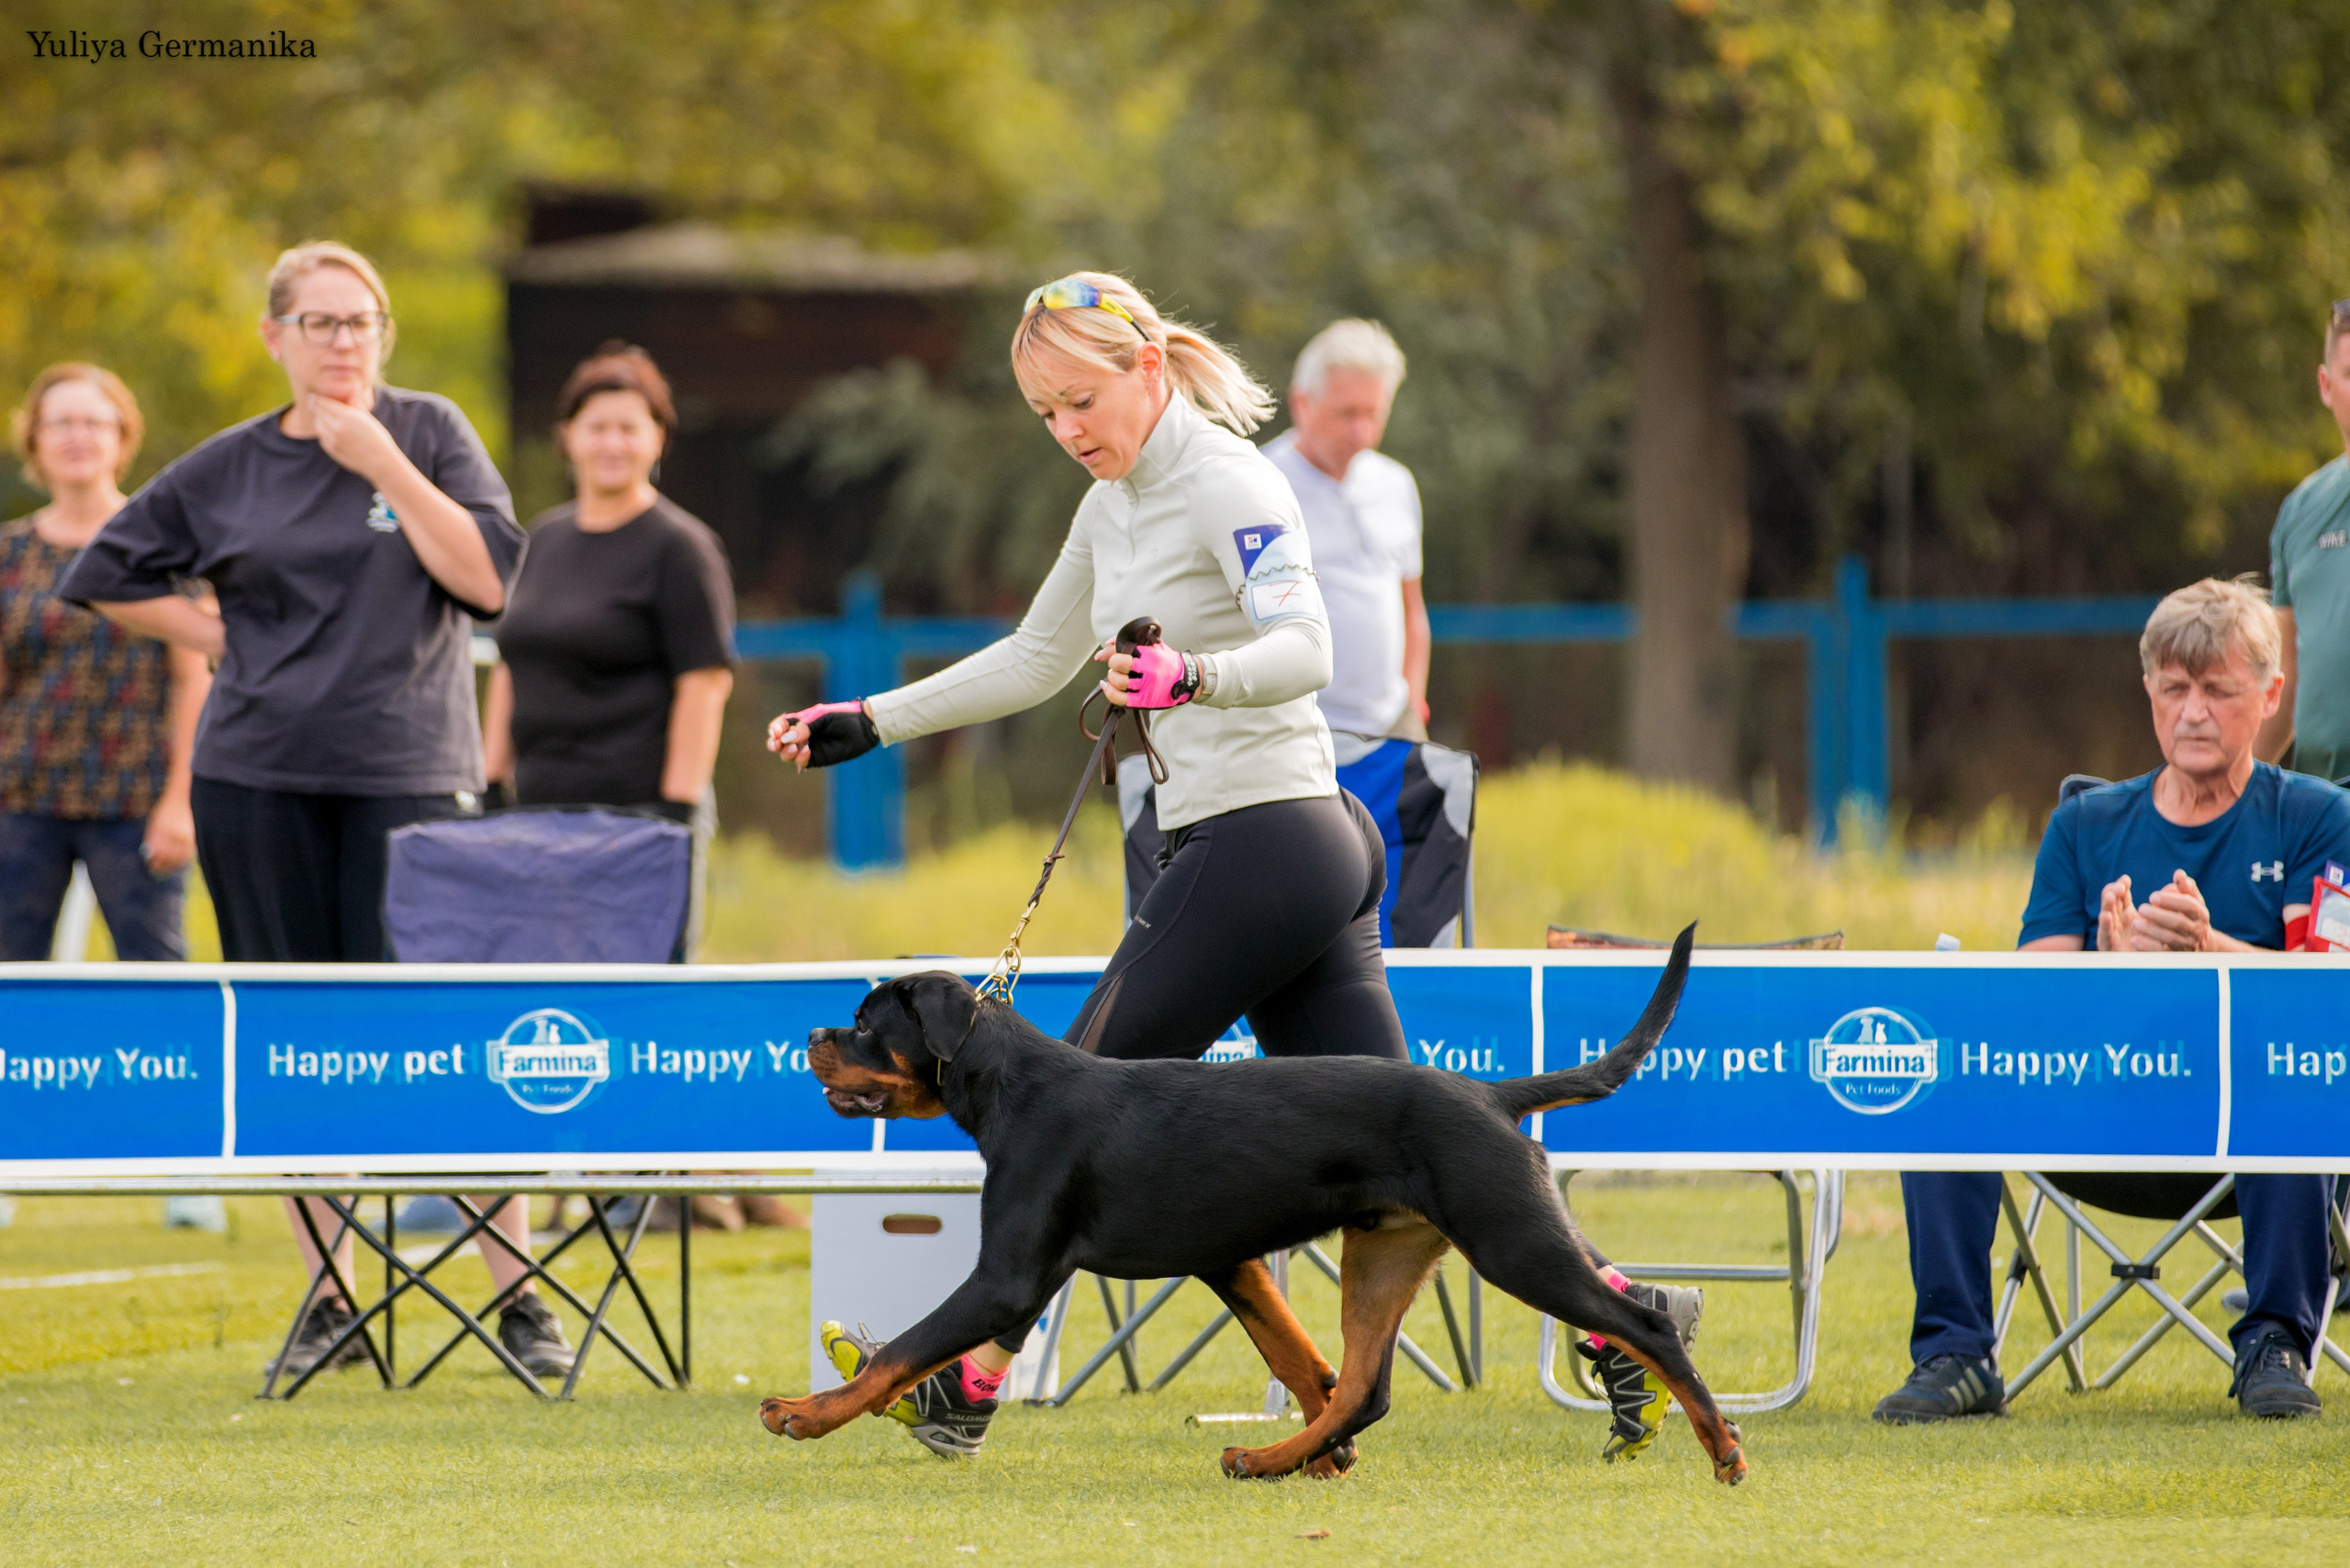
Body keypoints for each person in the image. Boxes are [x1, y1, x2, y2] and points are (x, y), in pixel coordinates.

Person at [768, 271, 1690, 1463]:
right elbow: (1038, 654)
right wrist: (870, 721)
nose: (1068, 432)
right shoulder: (1112, 504)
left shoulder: (1230, 481)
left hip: (1266, 842)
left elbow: (1310, 645)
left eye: (1082, 401)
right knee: (1418, 1161)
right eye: (1045, 414)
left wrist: (1188, 676)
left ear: (1149, 367)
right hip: (1293, 857)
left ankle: (965, 1392)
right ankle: (1632, 1326)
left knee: (1068, 1108)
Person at [57, 241, 572, 1383]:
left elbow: (490, 583)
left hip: (412, 772)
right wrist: (209, 635)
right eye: (322, 323)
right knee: (296, 1039)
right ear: (275, 336)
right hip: (257, 777)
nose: (345, 342)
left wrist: (382, 460)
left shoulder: (428, 431)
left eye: (363, 322)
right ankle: (331, 1295)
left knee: (447, 1034)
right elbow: (97, 571)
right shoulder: (229, 467)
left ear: (384, 335)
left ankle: (520, 1297)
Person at [1877, 578, 2348, 1424]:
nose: (2193, 712)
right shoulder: (2087, 825)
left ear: (2271, 695)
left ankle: (2275, 1340)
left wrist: (2210, 953)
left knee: (2294, 1079)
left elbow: (2329, 994)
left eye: (2217, 690)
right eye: (2174, 689)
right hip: (2095, 1118)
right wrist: (2108, 961)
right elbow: (2027, 1005)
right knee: (1945, 1075)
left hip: (2252, 1138)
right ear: (2149, 693)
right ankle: (1955, 1352)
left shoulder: (2317, 818)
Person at [482, 342, 736, 958]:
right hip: (537, 816)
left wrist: (674, 815)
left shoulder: (680, 547)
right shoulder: (542, 538)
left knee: (639, 1005)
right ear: (568, 437)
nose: (612, 443)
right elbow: (513, 661)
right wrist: (490, 780)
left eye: (630, 427)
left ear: (658, 439)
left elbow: (705, 684)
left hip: (640, 817)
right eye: (597, 427)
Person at [2, 364, 208, 961]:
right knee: (11, 975)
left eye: (94, 421)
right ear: (35, 439)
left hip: (137, 801)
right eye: (60, 422)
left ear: (122, 437)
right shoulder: (9, 552)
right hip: (20, 797)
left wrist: (180, 800)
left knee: (156, 972)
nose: (78, 435)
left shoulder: (163, 546)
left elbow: (194, 680)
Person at [1261, 319, 1431, 742]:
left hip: (1393, 725)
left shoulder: (1396, 483)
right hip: (1299, 731)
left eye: (1372, 413)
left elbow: (1412, 609)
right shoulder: (1260, 484)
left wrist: (1413, 703)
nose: (1361, 431)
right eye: (1347, 413)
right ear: (1301, 403)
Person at [2256, 296, 2350, 782]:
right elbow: (2285, 685)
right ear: (2326, 385)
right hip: (2325, 814)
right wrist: (2226, 789)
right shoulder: (2301, 512)